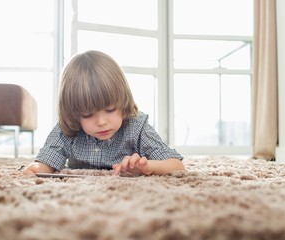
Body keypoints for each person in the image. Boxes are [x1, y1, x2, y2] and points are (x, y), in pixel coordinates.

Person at [23, 50, 185, 177]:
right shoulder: (68, 128)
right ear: (74, 114)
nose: (101, 122)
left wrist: (149, 167)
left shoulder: (137, 126)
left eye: (110, 110)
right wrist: (37, 167)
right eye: (87, 114)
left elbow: (177, 166)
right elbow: (48, 160)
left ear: (122, 101)